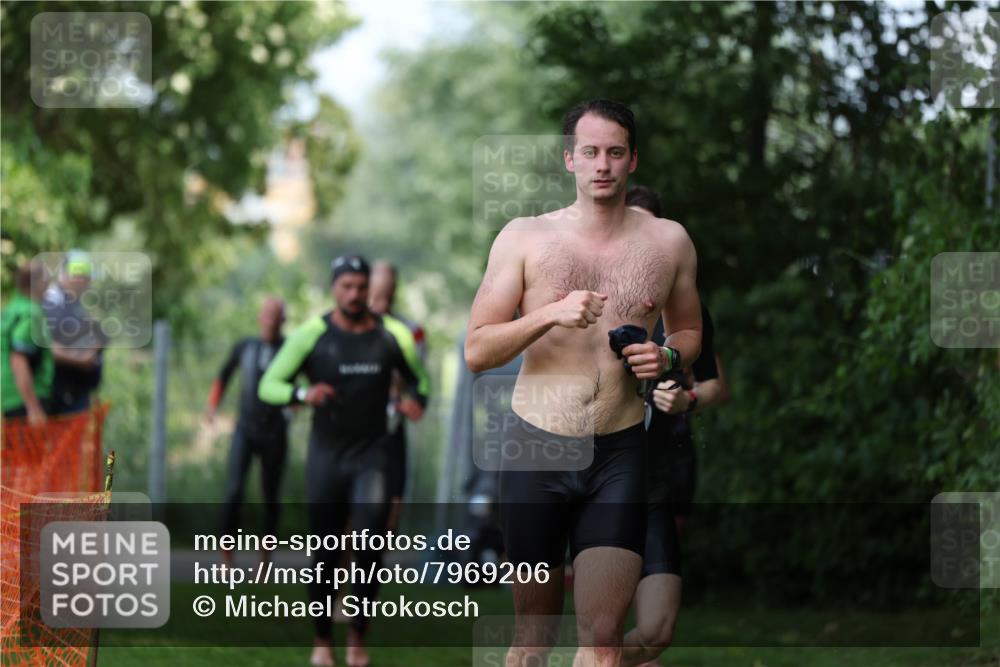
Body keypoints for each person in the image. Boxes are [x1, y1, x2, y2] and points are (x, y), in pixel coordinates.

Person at [464, 99, 702, 667]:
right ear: (569, 159)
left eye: (615, 152)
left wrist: (666, 355)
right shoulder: (524, 237)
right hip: (536, 448)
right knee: (533, 641)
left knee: (604, 641)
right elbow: (476, 350)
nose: (602, 164)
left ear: (633, 160)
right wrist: (550, 313)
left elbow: (690, 331)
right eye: (590, 152)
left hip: (618, 453)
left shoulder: (669, 242)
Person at [259, 254, 430, 667]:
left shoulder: (392, 335)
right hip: (327, 457)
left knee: (370, 548)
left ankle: (356, 638)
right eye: (346, 287)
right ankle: (322, 641)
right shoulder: (312, 334)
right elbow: (269, 384)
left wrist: (416, 401)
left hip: (372, 456)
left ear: (369, 288)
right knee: (325, 553)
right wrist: (303, 394)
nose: (354, 294)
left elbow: (420, 381)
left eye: (361, 287)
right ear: (334, 288)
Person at [621, 186, 730, 667]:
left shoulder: (686, 309)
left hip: (657, 476)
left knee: (656, 633)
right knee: (604, 618)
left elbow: (714, 384)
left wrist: (686, 399)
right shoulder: (589, 301)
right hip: (597, 477)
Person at [205, 297, 289, 566]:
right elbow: (224, 375)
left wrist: (297, 402)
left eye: (276, 315)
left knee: (271, 496)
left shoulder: (289, 348)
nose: (271, 320)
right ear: (260, 317)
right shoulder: (245, 346)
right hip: (245, 430)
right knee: (234, 491)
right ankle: (226, 557)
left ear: (283, 320)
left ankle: (264, 560)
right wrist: (212, 406)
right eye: (267, 314)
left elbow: (308, 383)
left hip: (275, 432)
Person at [367, 260, 427, 530]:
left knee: (394, 493)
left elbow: (417, 377)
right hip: (356, 424)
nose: (381, 302)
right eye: (377, 294)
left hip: (392, 423)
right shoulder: (350, 325)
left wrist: (413, 400)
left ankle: (382, 548)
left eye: (387, 293)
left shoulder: (411, 330)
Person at [43, 250, 106, 414]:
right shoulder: (53, 303)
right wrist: (81, 360)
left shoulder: (73, 303)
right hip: (61, 394)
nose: (88, 283)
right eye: (85, 277)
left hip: (76, 392)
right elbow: (48, 347)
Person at [1, 260, 54, 424]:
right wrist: (33, 408)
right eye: (47, 280)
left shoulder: (12, 308)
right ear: (38, 283)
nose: (49, 286)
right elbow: (19, 359)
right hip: (24, 399)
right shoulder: (31, 313)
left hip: (8, 397)